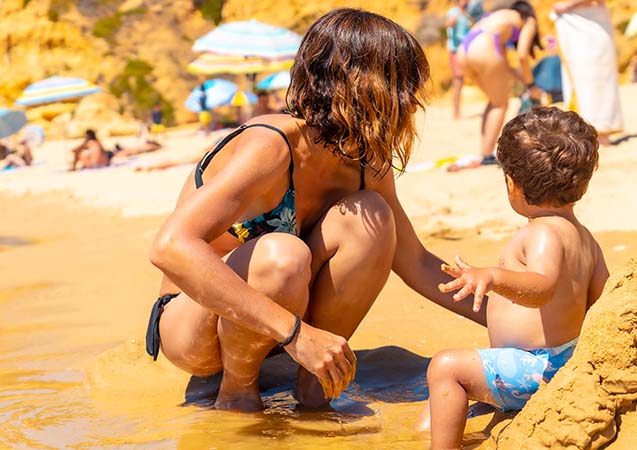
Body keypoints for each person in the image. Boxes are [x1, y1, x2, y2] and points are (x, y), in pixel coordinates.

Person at [146, 8, 487, 413]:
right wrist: (295, 335)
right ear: (365, 86)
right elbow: (169, 247)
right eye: (404, 86)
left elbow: (418, 263)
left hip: (284, 328)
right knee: (281, 255)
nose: (413, 103)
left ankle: (316, 387)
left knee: (373, 215)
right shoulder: (270, 145)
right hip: (196, 329)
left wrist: (519, 318)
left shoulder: (366, 165)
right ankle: (237, 395)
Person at [417, 107, 609, 449]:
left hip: (538, 369)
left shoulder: (544, 233)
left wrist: (492, 276)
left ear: (512, 183)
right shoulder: (583, 236)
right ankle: (426, 435)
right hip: (560, 359)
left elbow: (542, 286)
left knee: (445, 367)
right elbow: (602, 299)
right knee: (436, 404)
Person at [452, 0, 542, 170]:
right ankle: (487, 155)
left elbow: (506, 66)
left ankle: (484, 150)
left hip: (464, 50)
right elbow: (522, 56)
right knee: (501, 104)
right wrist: (531, 85)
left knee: (494, 101)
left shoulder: (499, 16)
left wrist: (521, 79)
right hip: (484, 48)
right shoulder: (528, 20)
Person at [553, 0, 623, 146]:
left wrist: (569, 5)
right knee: (585, 78)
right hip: (582, 22)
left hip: (588, 23)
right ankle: (588, 131)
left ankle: (598, 132)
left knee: (595, 77)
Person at [445, 0, 473, 119]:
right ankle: (456, 112)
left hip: (464, 50)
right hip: (455, 50)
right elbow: (448, 24)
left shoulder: (467, 14)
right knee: (458, 79)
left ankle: (458, 111)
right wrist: (459, 13)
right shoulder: (453, 11)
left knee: (461, 80)